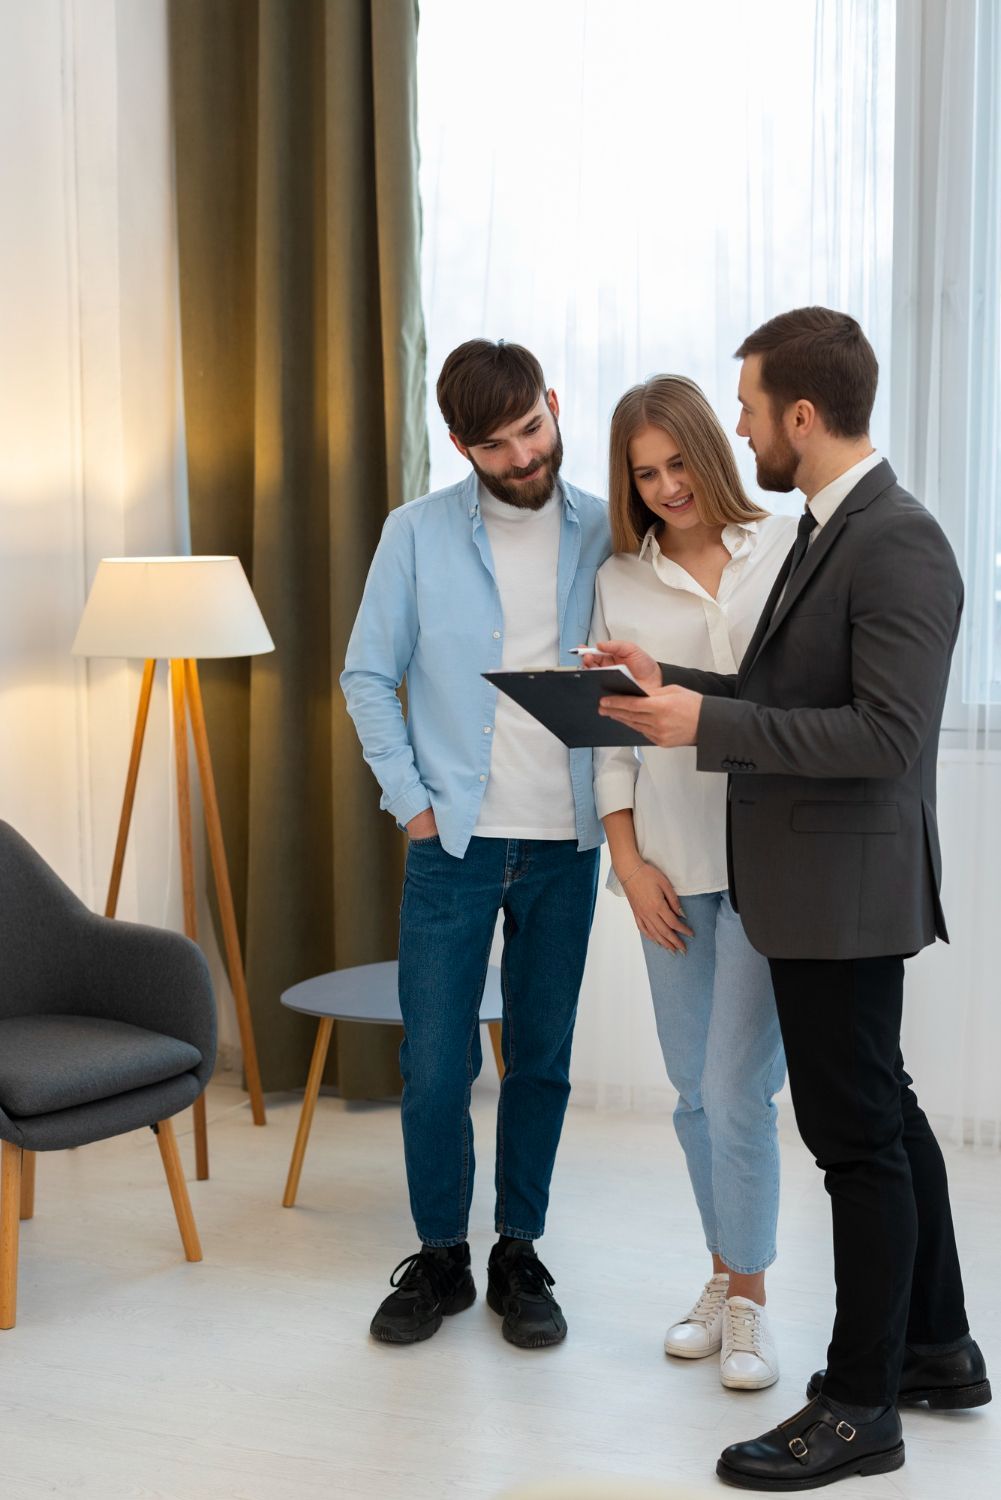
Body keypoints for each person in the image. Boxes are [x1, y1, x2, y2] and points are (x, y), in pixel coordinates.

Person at [589, 307, 990, 1491]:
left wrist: (704, 720)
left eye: (753, 407)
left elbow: (883, 734)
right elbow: (796, 691)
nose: (744, 427)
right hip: (821, 887)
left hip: (838, 894)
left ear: (800, 419)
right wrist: (676, 686)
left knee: (854, 1143)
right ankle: (937, 1349)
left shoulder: (894, 539)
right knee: (888, 1117)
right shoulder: (834, 528)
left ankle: (856, 1404)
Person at [341, 339, 610, 1349]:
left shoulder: (604, 530)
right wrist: (410, 800)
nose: (521, 458)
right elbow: (366, 672)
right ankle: (440, 1257)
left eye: (531, 431)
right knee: (434, 1063)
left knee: (539, 1060)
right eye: (493, 446)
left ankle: (517, 1250)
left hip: (564, 843)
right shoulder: (412, 535)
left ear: (551, 403)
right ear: (458, 444)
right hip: (450, 842)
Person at [592, 375, 795, 1391]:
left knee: (738, 1089)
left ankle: (750, 1301)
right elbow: (608, 743)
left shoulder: (786, 550)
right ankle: (721, 1275)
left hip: (770, 866)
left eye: (677, 463)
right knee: (689, 1095)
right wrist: (625, 864)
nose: (666, 486)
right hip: (669, 870)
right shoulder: (620, 583)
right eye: (644, 473)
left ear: (712, 451)